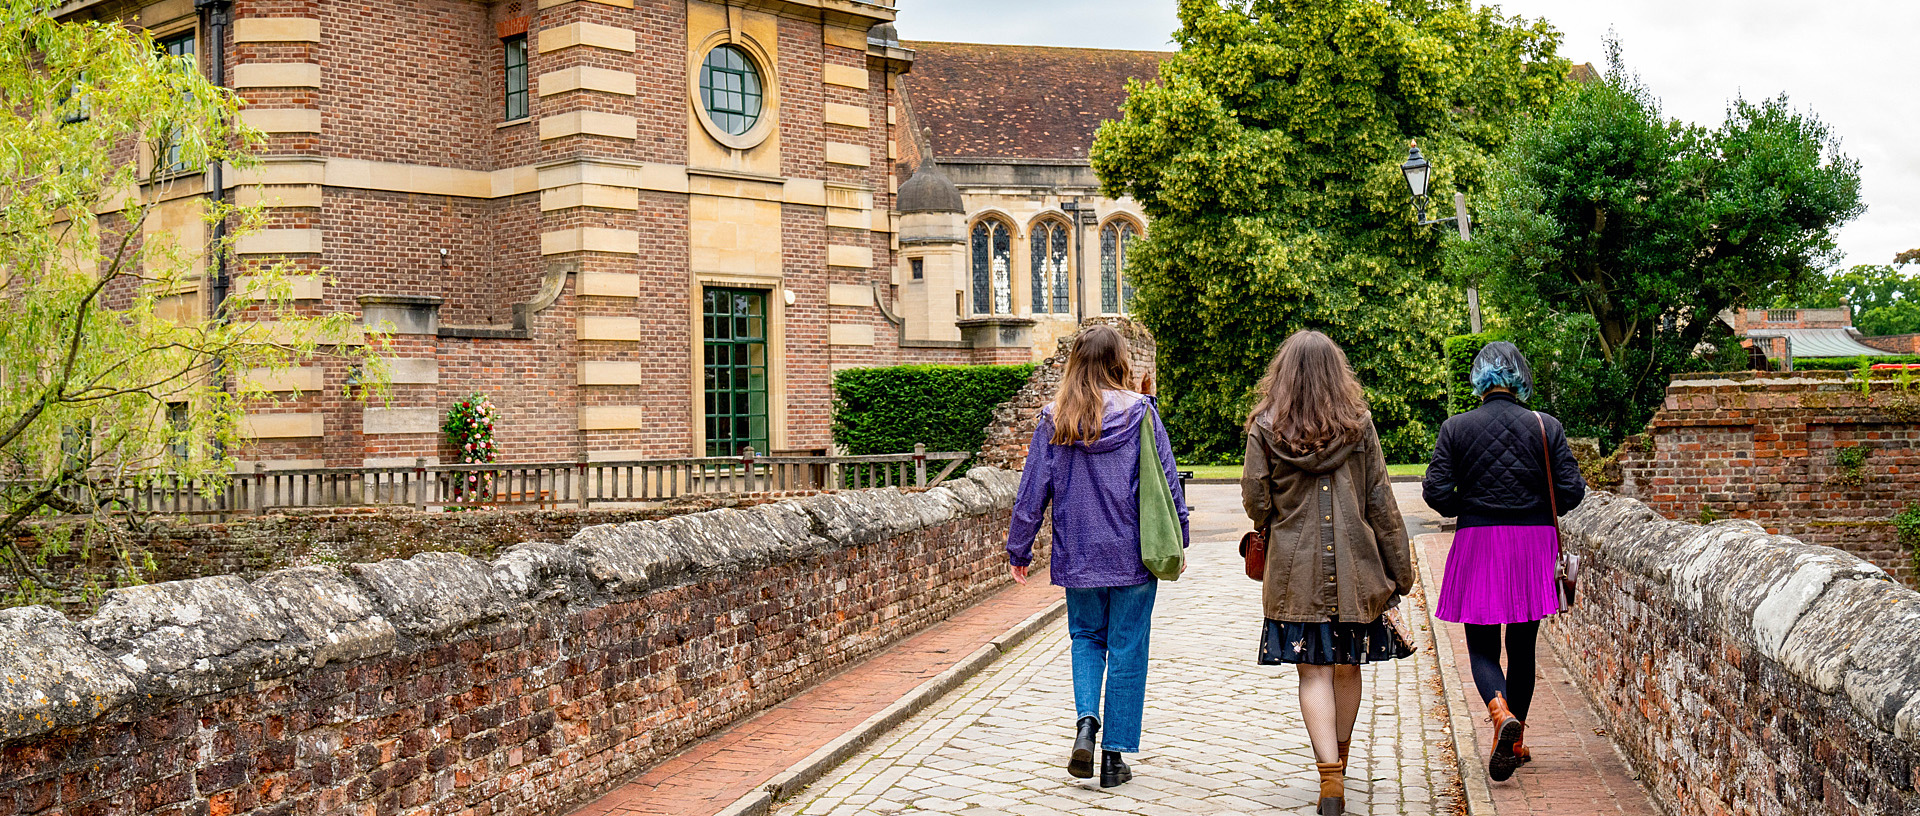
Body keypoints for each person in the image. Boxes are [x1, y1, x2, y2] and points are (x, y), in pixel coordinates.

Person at [1006, 324, 1188, 790]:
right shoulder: (1142, 413)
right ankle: (1113, 758)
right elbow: (1167, 484)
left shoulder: (1055, 419)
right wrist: (1178, 538)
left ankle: (1086, 723)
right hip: (1133, 555)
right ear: (1118, 362)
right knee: (1128, 648)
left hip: (1079, 554)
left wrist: (1019, 547)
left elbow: (1032, 492)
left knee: (1087, 639)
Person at [1240, 330, 1414, 816]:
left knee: (1312, 671)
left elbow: (1255, 500)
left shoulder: (1265, 427)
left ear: (1284, 374)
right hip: (1357, 569)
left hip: (1293, 574)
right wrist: (1401, 573)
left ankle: (1329, 778)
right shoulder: (1358, 425)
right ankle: (1339, 763)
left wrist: (1273, 519)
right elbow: (1380, 499)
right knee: (1347, 666)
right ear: (1338, 374)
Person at [1422, 341, 1586, 782]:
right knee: (1523, 647)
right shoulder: (1545, 425)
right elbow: (1571, 492)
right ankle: (1514, 738)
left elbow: (1436, 494)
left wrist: (1471, 502)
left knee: (1480, 645)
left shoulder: (1455, 428)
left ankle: (1499, 715)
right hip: (1533, 543)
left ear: (1478, 379)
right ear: (1519, 377)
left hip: (1479, 539)